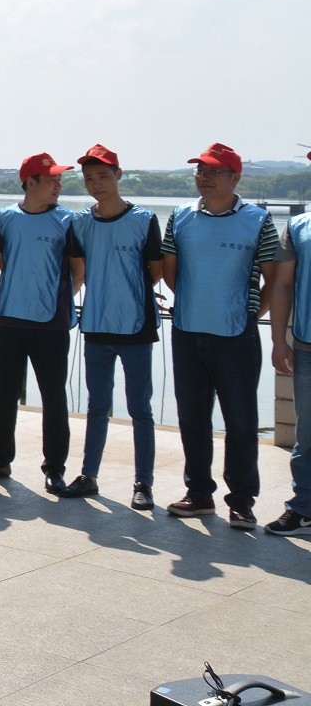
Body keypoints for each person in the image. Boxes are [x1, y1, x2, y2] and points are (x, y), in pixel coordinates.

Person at [161, 143, 281, 529]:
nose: (204, 177)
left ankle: (241, 501)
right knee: (192, 418)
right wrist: (195, 303)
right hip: (187, 331)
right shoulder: (180, 216)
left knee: (241, 422)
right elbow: (170, 271)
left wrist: (249, 315)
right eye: (200, 171)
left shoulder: (258, 219)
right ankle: (199, 494)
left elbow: (273, 279)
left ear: (235, 177)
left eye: (213, 171)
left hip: (236, 336)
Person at [54, 144, 162, 507]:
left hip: (136, 327)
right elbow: (78, 271)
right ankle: (89, 475)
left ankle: (143, 483)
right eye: (89, 179)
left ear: (118, 175)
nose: (96, 184)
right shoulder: (80, 223)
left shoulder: (143, 220)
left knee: (140, 409)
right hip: (97, 325)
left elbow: (156, 272)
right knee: (97, 406)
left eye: (103, 176)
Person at [0, 152, 78, 491]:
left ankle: (54, 468)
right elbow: (1, 261)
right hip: (10, 320)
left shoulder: (68, 220)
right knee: (4, 396)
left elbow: (78, 271)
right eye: (52, 179)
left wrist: (54, 297)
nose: (59, 185)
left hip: (51, 323)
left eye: (60, 179)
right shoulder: (5, 217)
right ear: (31, 182)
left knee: (53, 398)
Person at [264, 151, 311, 537]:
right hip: (307, 348)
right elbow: (281, 285)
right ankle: (304, 508)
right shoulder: (298, 225)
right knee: (306, 435)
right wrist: (279, 339)